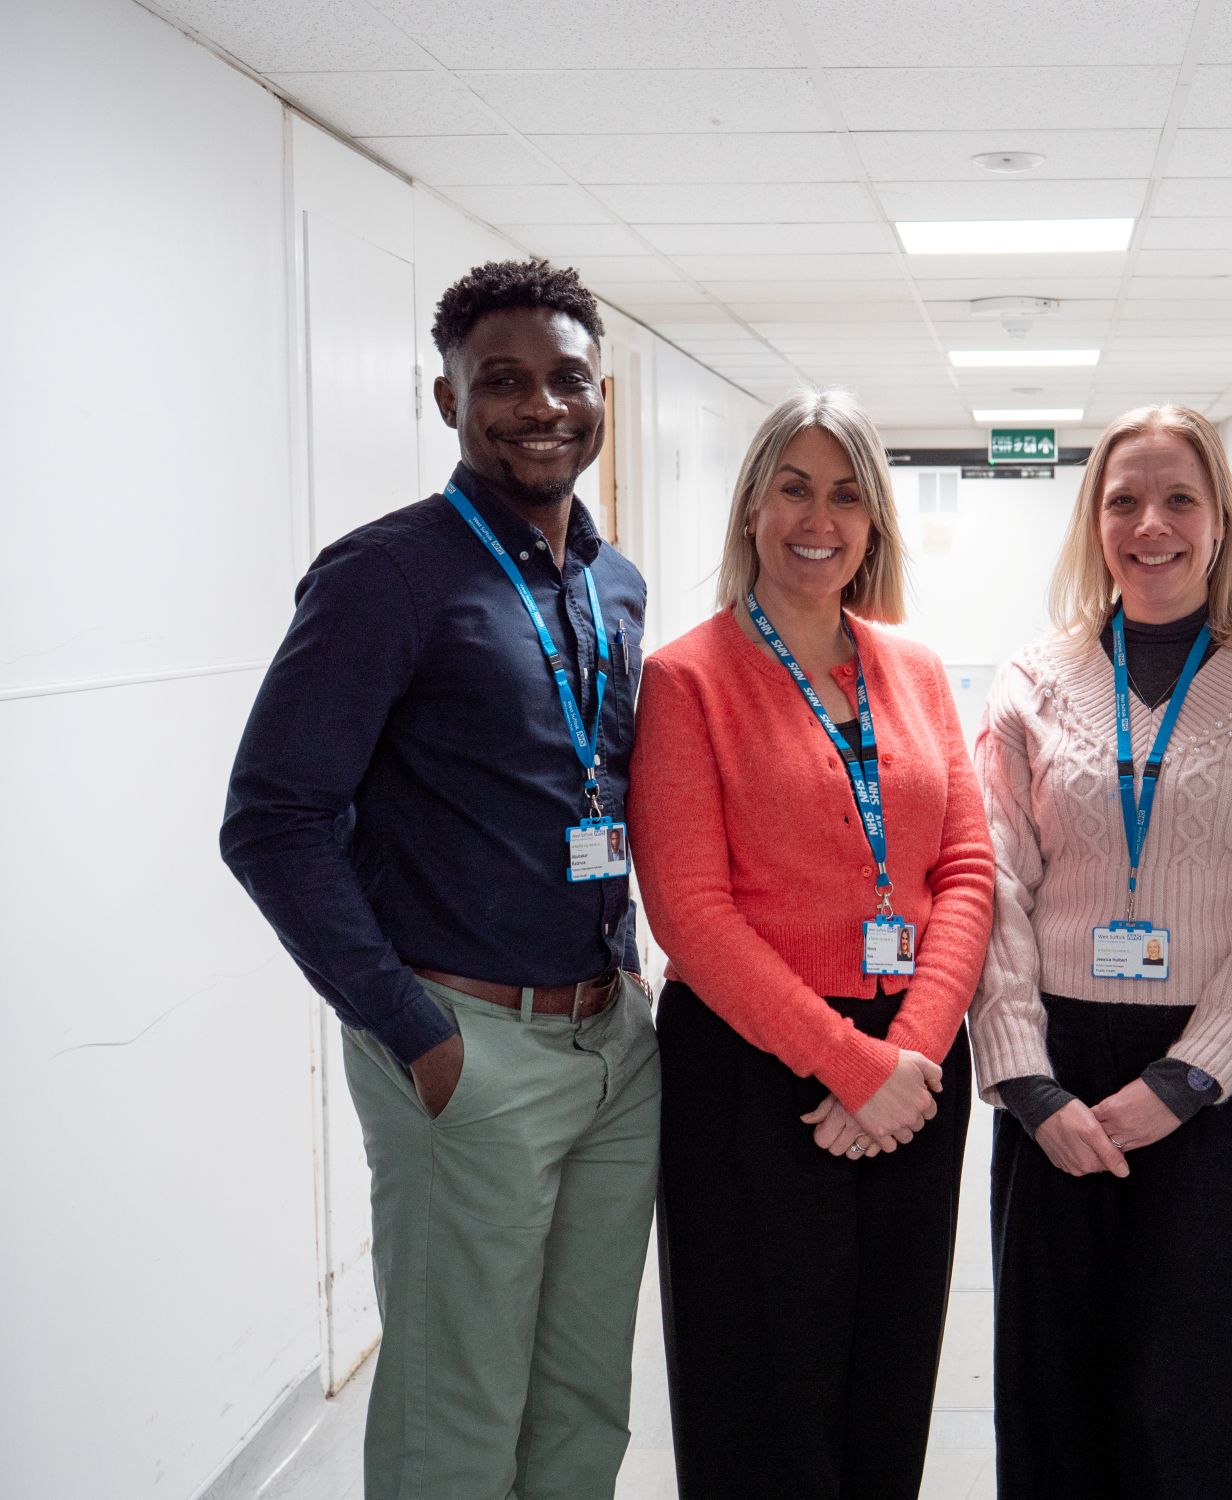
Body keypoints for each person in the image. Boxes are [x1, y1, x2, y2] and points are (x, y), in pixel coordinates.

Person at [220, 260, 659, 1499]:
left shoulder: (610, 584)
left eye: (566, 378)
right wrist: (411, 1030)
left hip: (610, 1042)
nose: (540, 406)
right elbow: (273, 820)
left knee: (583, 1397)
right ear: (446, 399)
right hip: (467, 1046)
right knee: (452, 1413)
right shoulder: (387, 575)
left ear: (601, 395)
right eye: (501, 381)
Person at [969, 404, 1232, 1500]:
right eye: (1122, 500)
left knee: (1203, 1384)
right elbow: (990, 882)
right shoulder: (1033, 678)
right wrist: (1021, 1076)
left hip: (1221, 1075)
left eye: (1178, 498)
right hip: (1057, 1070)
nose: (1150, 524)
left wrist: (1190, 1075)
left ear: (1218, 517)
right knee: (1055, 1382)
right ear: (1091, 520)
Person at [628, 389, 994, 1499]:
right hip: (750, 1073)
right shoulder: (686, 680)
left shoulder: (917, 673)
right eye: (792, 486)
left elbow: (966, 873)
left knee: (887, 1376)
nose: (817, 517)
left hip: (915, 1079)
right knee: (757, 1394)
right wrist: (848, 1064)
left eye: (845, 494)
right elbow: (690, 910)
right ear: (750, 509)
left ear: (873, 523)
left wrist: (909, 1056)